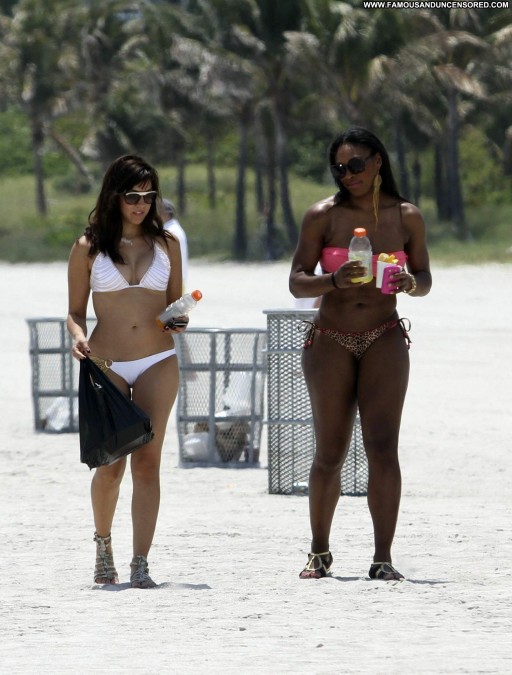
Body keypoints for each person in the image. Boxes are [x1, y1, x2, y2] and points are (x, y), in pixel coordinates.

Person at [289, 127, 432, 581]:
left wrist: (411, 283)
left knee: (383, 448)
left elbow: (425, 278)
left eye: (355, 165)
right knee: (329, 452)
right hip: (330, 338)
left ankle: (382, 557)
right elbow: (296, 281)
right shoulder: (322, 216)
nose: (347, 174)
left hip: (384, 336)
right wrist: (333, 280)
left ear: (377, 162)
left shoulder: (406, 216)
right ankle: (319, 552)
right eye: (339, 168)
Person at [67, 155, 186, 588]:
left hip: (158, 359)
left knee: (148, 463)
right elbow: (75, 311)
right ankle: (103, 546)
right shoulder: (88, 246)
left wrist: (179, 319)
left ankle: (141, 562)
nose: (141, 204)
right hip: (107, 362)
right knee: (111, 464)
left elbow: (174, 304)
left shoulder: (167, 243)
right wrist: (77, 337)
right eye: (133, 196)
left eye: (148, 196)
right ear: (114, 196)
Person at [160, 198, 189, 288]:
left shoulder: (170, 231)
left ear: (166, 214)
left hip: (172, 283)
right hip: (176, 280)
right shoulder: (174, 229)